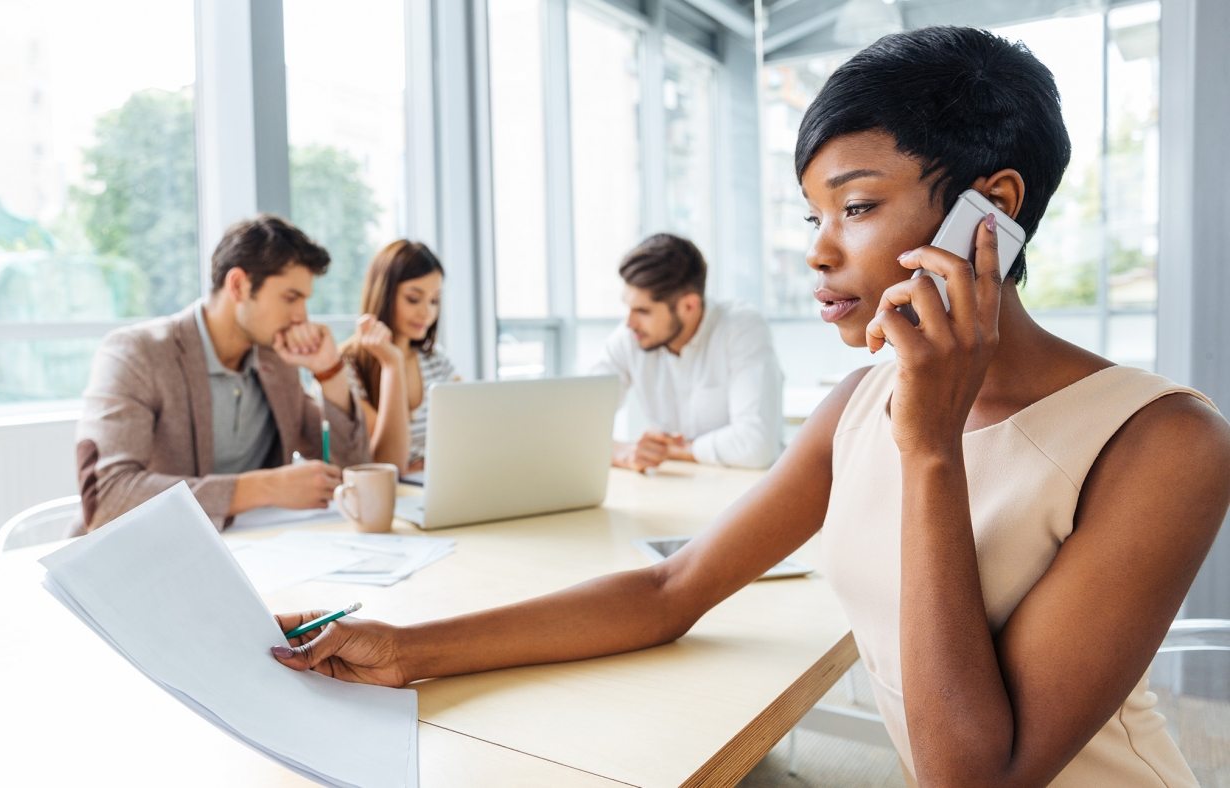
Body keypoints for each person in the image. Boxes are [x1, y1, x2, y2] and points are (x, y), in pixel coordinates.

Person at [266, 27, 1230, 786]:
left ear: (992, 211)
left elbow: (972, 776)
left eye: (854, 207)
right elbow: (669, 590)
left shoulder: (1165, 442)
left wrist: (931, 448)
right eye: (812, 214)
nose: (816, 251)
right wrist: (407, 649)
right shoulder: (862, 401)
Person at [75, 214, 398, 531]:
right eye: (291, 298)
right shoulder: (137, 354)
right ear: (239, 285)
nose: (301, 317)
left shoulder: (277, 361)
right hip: (147, 557)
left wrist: (330, 372)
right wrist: (263, 488)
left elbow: (353, 473)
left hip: (255, 554)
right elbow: (108, 498)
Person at [590, 233, 783, 471]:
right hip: (674, 491)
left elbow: (757, 445)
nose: (630, 322)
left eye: (643, 311)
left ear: (689, 306)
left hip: (744, 491)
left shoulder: (741, 328)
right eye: (628, 307)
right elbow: (578, 422)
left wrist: (673, 450)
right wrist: (622, 451)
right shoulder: (630, 337)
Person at [341, 240, 457, 473]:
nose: (426, 312)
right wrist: (392, 364)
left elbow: (468, 431)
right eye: (413, 299)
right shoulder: (346, 365)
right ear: (383, 294)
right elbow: (388, 462)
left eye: (434, 300)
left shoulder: (436, 361)